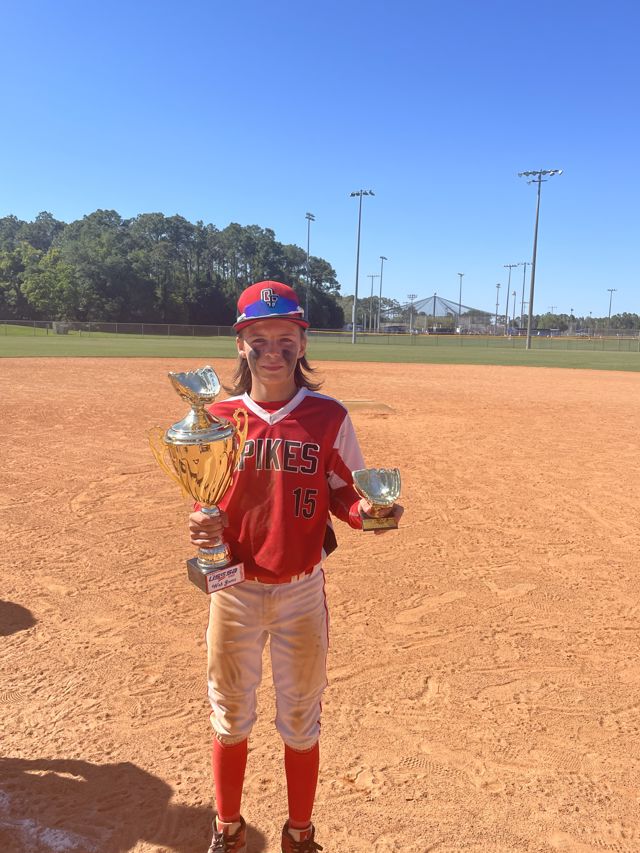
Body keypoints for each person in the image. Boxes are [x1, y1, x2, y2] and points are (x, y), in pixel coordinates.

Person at [189, 281, 403, 853]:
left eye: (285, 337)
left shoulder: (328, 416)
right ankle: (228, 828)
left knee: (302, 717)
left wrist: (370, 513)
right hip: (235, 590)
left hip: (301, 590)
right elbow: (204, 496)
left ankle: (299, 833)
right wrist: (202, 525)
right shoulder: (217, 417)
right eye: (259, 338)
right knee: (230, 713)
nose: (273, 349)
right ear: (240, 344)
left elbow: (346, 492)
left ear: (303, 342)